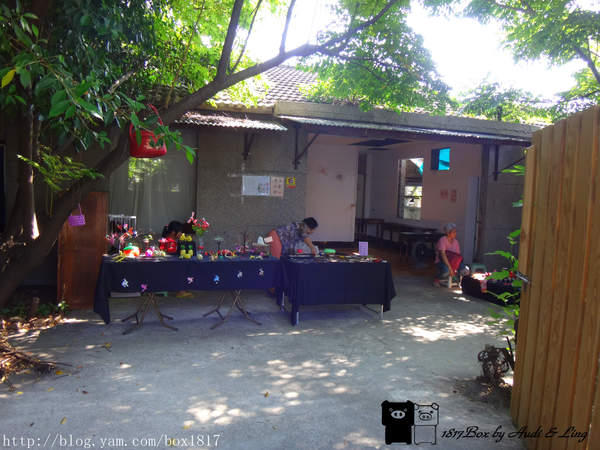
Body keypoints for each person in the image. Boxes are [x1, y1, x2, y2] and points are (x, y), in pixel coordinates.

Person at [433, 222, 469, 287]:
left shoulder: (456, 242)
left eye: (455, 232)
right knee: (446, 271)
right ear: (448, 233)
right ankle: (436, 279)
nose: (455, 233)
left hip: (453, 262)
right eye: (453, 232)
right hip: (442, 262)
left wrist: (455, 268)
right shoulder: (442, 240)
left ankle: (459, 281)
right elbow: (443, 255)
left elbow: (457, 256)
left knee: (465, 270)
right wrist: (450, 268)